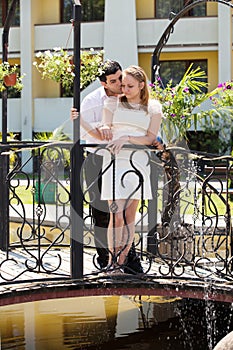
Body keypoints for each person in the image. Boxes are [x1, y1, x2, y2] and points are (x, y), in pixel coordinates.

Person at [71, 60, 143, 274]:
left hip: (125, 161)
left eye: (120, 77)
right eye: (114, 81)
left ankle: (129, 260)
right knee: (102, 213)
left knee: (128, 213)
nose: (120, 83)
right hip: (97, 160)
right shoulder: (92, 101)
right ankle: (106, 261)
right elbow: (91, 134)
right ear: (103, 83)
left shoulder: (128, 97)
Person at [99, 65, 163, 271]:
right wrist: (106, 127)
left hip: (137, 163)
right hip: (114, 161)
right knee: (115, 214)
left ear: (142, 85)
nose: (124, 89)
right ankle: (111, 261)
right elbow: (105, 125)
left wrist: (126, 138)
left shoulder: (153, 107)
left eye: (129, 86)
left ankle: (121, 262)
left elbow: (150, 138)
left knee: (128, 217)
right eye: (123, 85)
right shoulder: (111, 103)